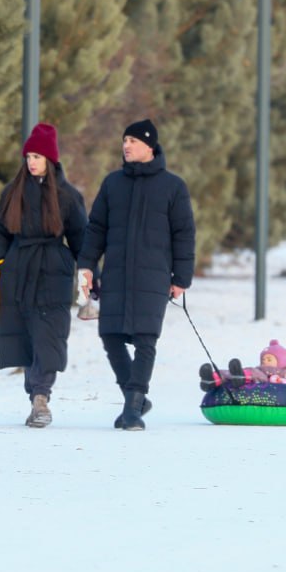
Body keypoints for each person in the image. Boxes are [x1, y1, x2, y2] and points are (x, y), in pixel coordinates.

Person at [77, 118, 195, 431]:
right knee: (110, 335)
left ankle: (133, 406)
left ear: (149, 146)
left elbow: (184, 234)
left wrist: (181, 278)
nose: (126, 145)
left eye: (132, 140)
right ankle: (135, 399)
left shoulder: (173, 187)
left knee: (145, 339)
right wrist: (87, 265)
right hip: (115, 274)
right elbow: (96, 228)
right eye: (124, 140)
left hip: (153, 276)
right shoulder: (112, 183)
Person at [0, 122, 87, 428]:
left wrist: (87, 271)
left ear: (51, 159)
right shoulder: (12, 192)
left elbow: (81, 236)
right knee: (26, 334)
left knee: (48, 333)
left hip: (54, 270)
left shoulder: (68, 196)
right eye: (28, 156)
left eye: (37, 156)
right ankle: (35, 395)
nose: (31, 162)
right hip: (18, 268)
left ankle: (41, 397)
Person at [199, 339, 286, 391]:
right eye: (263, 359)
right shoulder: (261, 368)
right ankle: (212, 379)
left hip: (265, 382)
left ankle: (241, 376)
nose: (265, 361)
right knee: (230, 373)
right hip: (257, 378)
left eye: (269, 359)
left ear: (281, 362)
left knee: (253, 372)